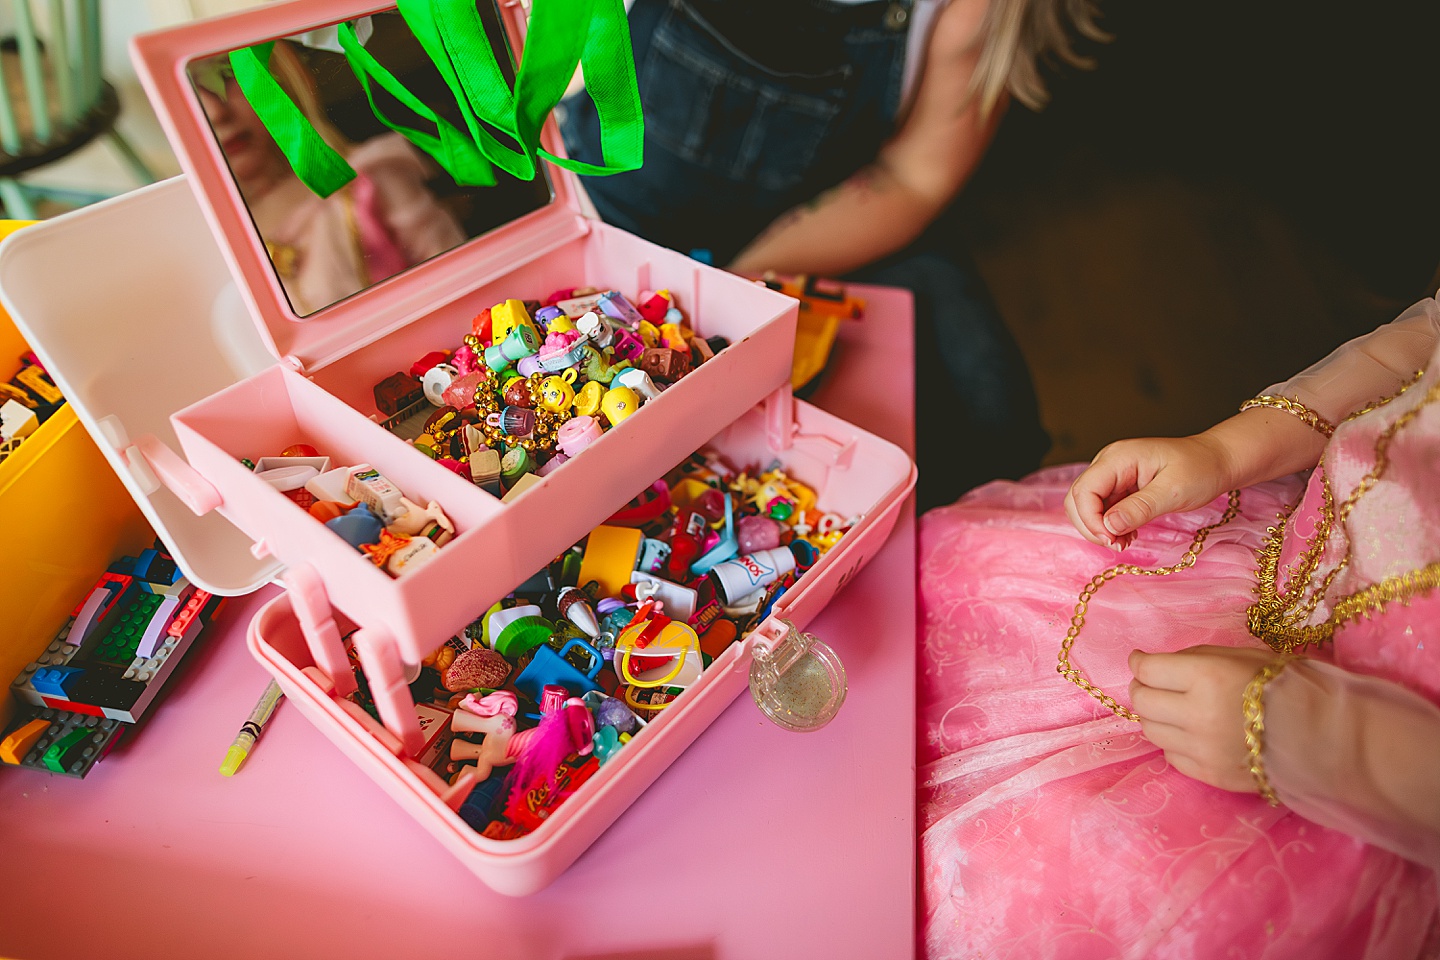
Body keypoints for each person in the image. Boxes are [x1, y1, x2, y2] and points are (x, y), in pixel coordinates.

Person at [919, 295, 1440, 957]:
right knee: (966, 572)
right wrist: (1221, 452)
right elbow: (1417, 344)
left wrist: (1326, 740)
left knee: (1027, 872)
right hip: (1277, 567)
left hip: (1364, 784)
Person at [561, 0, 1106, 508]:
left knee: (990, 416)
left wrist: (741, 282)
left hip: (832, 223)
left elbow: (915, 177)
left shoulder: (973, 11)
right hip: (620, 211)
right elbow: (544, 73)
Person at [194, 41, 466, 316]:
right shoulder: (207, 248)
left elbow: (462, 281)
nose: (216, 112)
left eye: (227, 74)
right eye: (191, 93)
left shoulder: (368, 179)